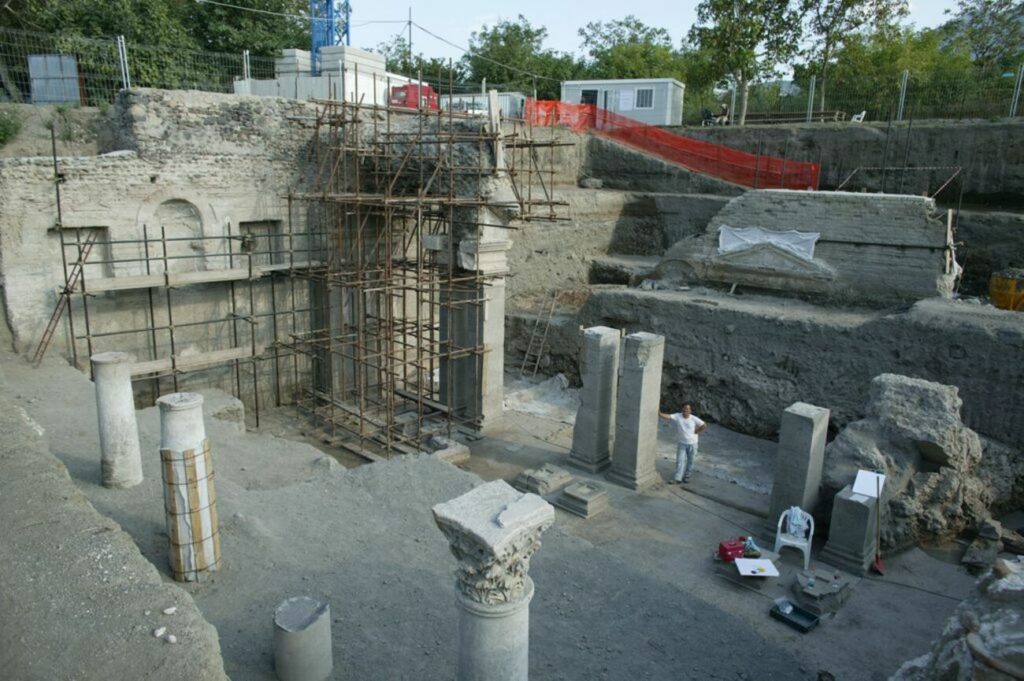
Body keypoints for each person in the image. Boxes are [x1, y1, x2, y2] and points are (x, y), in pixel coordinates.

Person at [659, 402, 707, 484]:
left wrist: (697, 431)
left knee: (690, 461)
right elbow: (668, 417)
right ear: (682, 409)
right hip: (682, 443)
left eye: (688, 409)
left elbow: (704, 425)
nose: (686, 410)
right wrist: (660, 414)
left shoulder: (694, 418)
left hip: (692, 444)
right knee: (680, 461)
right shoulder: (678, 416)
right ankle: (677, 478)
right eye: (685, 408)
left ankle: (687, 476)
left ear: (690, 410)